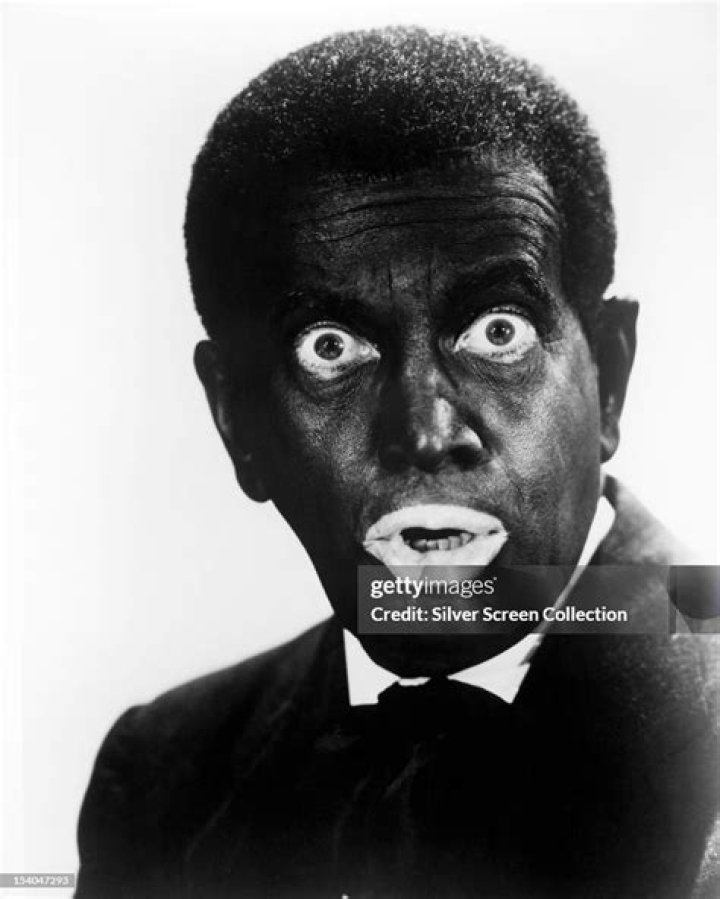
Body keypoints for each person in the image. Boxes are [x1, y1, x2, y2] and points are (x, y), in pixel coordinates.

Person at [75, 26, 718, 898]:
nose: (423, 432)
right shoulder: (160, 777)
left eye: (499, 331)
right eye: (331, 348)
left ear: (609, 379)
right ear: (237, 422)